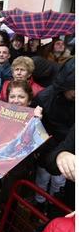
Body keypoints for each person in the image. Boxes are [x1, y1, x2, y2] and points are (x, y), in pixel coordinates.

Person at [0, 80, 43, 232]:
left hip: (16, 171)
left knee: (10, 201)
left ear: (29, 100)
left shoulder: (35, 118)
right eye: (12, 96)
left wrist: (36, 123)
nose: (16, 100)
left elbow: (39, 146)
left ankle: (7, 228)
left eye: (21, 96)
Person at [32, 58, 75, 212]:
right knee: (42, 179)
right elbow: (34, 126)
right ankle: (39, 202)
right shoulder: (44, 97)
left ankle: (53, 203)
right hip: (47, 149)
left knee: (59, 182)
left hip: (68, 153)